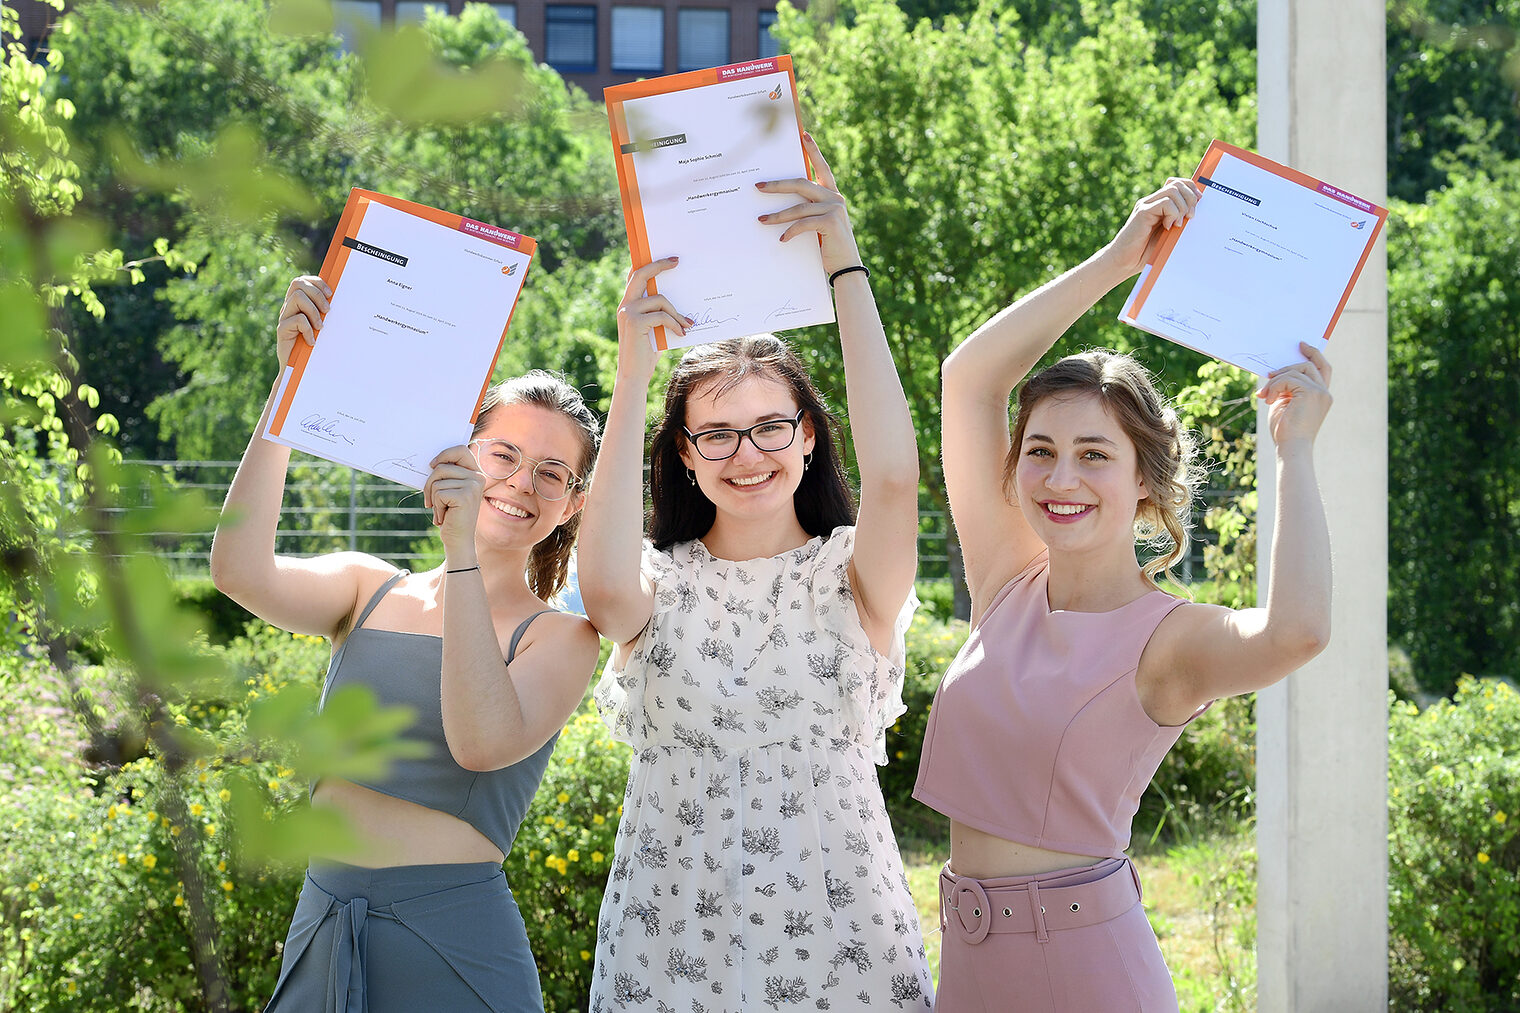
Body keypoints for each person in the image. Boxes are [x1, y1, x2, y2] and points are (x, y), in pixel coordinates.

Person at [914, 178, 1333, 1012]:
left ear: (1145, 480)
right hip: (967, 965)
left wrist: (1295, 452)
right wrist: (1116, 260)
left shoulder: (1168, 641)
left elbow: (1297, 631)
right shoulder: (1006, 577)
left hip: (1084, 971)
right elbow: (969, 383)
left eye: (1094, 455)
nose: (1061, 477)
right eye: (1041, 449)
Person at [578, 134, 934, 1012]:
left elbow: (894, 475)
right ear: (687, 458)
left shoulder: (855, 581)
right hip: (670, 947)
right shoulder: (654, 590)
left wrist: (842, 262)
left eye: (772, 426)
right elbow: (597, 580)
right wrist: (635, 365)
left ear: (809, 437)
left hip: (839, 943)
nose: (748, 454)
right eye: (717, 435)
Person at [210, 275, 602, 1013]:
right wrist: (290, 382)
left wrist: (459, 551)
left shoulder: (563, 635)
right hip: (324, 921)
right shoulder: (368, 586)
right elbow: (236, 570)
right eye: (504, 454)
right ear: (464, 449)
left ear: (574, 502)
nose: (522, 483)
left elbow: (481, 742)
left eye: (552, 473)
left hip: (454, 943)